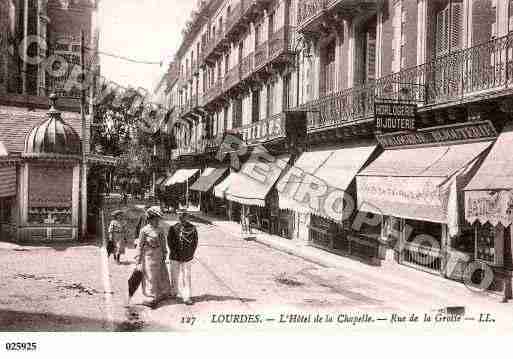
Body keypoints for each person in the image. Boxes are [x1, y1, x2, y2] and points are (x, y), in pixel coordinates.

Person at [134, 206, 172, 308]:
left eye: (158, 219)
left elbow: (163, 243)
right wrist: (138, 259)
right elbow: (140, 245)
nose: (157, 221)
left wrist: (165, 253)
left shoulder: (160, 230)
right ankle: (150, 296)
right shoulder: (144, 231)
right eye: (155, 219)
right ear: (150, 219)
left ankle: (161, 294)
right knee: (150, 276)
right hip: (148, 256)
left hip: (159, 255)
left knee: (161, 274)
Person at [167, 211, 198, 305]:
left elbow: (195, 242)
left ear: (187, 217)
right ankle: (174, 292)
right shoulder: (173, 228)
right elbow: (170, 242)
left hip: (187, 257)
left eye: (184, 216)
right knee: (174, 275)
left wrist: (190, 253)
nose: (181, 218)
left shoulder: (192, 228)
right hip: (175, 256)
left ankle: (187, 296)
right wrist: (175, 252)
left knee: (186, 277)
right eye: (180, 216)